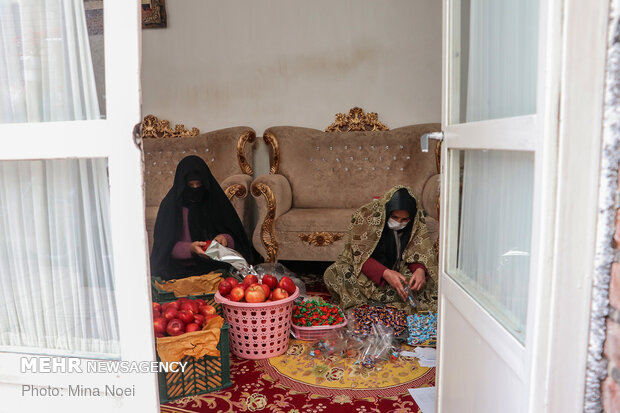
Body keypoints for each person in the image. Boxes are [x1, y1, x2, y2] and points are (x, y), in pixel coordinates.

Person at [323, 186, 438, 313]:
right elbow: (359, 256)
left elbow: (417, 251)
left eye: (404, 219)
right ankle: (370, 305)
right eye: (394, 217)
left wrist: (419, 270)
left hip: (397, 271)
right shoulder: (367, 217)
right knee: (336, 273)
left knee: (423, 282)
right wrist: (385, 273)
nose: (399, 222)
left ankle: (377, 303)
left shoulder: (414, 224)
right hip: (365, 273)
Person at [150, 155, 253, 280]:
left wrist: (224, 239)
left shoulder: (215, 201)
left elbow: (235, 236)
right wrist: (190, 249)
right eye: (190, 185)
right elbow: (164, 248)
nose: (195, 189)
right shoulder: (171, 206)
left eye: (198, 184)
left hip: (215, 267)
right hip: (182, 271)